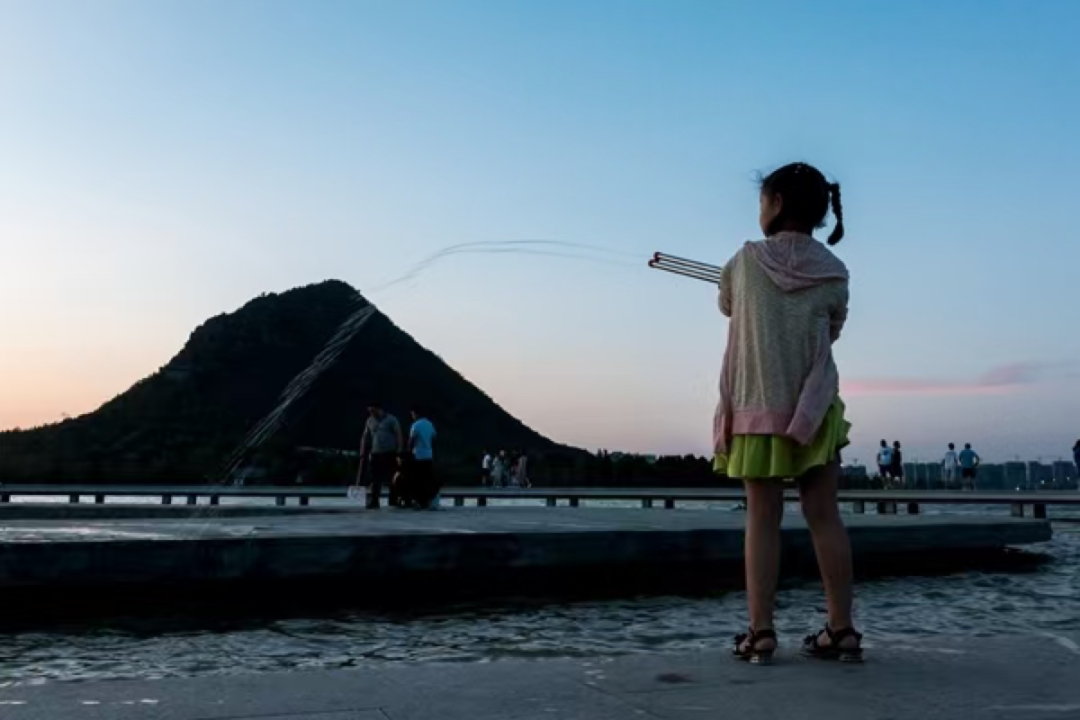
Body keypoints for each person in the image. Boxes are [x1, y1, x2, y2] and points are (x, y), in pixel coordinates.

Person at [713, 161, 861, 664]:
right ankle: (841, 630)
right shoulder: (836, 272)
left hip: (758, 408)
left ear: (774, 204)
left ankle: (761, 633)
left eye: (762, 201)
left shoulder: (743, 260)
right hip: (816, 408)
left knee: (762, 518)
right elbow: (834, 327)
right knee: (825, 516)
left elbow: (727, 305)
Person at [356, 403, 404, 510]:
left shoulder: (391, 419)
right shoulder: (370, 420)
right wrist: (362, 450)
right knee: (375, 478)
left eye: (373, 411)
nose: (371, 413)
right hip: (375, 453)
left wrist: (400, 450)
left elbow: (398, 434)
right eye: (370, 411)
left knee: (393, 477)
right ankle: (374, 501)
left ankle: (393, 499)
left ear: (379, 409)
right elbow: (365, 435)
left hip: (390, 452)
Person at [408, 407, 439, 510]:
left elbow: (411, 440)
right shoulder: (430, 424)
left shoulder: (416, 425)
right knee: (427, 479)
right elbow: (434, 438)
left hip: (418, 455)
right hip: (428, 455)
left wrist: (408, 452)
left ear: (416, 414)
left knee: (417, 480)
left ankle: (419, 501)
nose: (412, 416)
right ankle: (427, 500)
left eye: (412, 414)